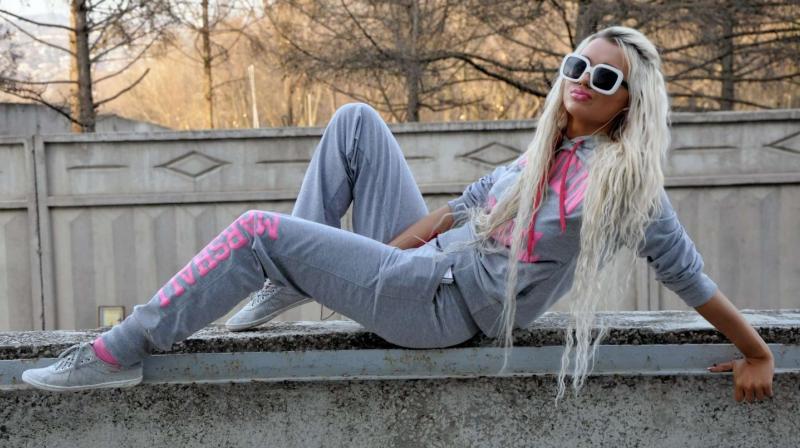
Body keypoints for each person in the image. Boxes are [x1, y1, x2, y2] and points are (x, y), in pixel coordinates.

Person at [22, 25, 773, 404]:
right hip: (427, 271)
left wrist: (758, 352)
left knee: (256, 231)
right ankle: (287, 282)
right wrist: (395, 249)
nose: (583, 80)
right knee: (356, 121)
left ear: (629, 103)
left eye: (604, 78)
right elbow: (461, 208)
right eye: (577, 65)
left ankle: (118, 353)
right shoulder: (545, 151)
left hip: (445, 309)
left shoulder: (621, 184)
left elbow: (687, 274)